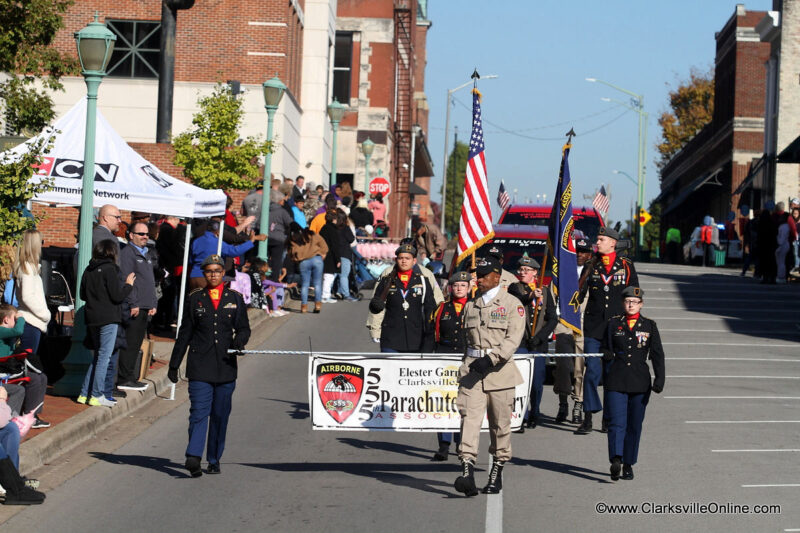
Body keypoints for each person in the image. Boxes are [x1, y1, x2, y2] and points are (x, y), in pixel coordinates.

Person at [168, 254, 250, 477]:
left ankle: (214, 458)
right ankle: (193, 456)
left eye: (217, 271)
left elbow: (244, 328)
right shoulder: (195, 298)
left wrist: (239, 340)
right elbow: (185, 333)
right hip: (200, 365)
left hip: (225, 367)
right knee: (198, 413)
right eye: (209, 271)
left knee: (220, 415)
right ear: (204, 274)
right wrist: (174, 364)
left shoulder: (235, 298)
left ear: (223, 273)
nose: (213, 275)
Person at [453, 257, 525, 496]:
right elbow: (465, 340)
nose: (478, 280)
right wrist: (470, 363)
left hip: (499, 372)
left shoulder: (512, 305)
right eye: (477, 276)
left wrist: (491, 359)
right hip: (473, 370)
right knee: (469, 419)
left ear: (496, 277)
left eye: (483, 276)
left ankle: (497, 469)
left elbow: (512, 341)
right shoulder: (471, 306)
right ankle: (467, 470)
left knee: (499, 425)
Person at [575, 226, 638, 435]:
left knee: (612, 374)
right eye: (598, 239)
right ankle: (588, 416)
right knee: (592, 371)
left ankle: (608, 418)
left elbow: (634, 296)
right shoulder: (591, 265)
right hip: (594, 327)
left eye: (601, 239)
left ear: (613, 242)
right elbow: (579, 294)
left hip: (616, 329)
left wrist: (633, 323)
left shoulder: (626, 266)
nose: (598, 242)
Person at [602, 287, 665, 481]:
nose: (631, 304)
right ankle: (616, 459)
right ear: (623, 303)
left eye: (635, 302)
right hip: (616, 379)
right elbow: (604, 346)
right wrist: (606, 354)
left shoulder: (649, 326)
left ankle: (629, 463)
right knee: (616, 422)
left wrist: (660, 378)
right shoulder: (613, 324)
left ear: (641, 304)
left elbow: (656, 354)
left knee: (634, 425)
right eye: (628, 301)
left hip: (639, 382)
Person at [78, 240, 136, 406]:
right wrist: (128, 285)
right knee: (104, 357)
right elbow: (117, 296)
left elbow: (82, 294)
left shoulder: (88, 270)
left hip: (92, 318)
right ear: (112, 253)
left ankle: (84, 393)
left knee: (98, 356)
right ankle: (96, 394)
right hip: (108, 318)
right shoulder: (111, 270)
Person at [507, 255, 556, 429]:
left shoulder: (544, 291)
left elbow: (552, 319)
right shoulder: (514, 288)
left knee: (536, 383)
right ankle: (522, 415)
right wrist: (530, 296)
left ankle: (535, 411)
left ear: (535, 273)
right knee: (521, 382)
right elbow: (517, 300)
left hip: (538, 343)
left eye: (527, 270)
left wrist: (541, 337)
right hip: (521, 342)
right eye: (520, 269)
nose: (522, 272)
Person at [366, 239, 444, 342]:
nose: (404, 260)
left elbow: (438, 302)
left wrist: (439, 329)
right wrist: (375, 329)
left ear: (414, 257)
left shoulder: (426, 274)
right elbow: (377, 303)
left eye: (408, 256)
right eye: (401, 256)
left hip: (418, 330)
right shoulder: (387, 274)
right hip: (392, 330)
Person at [12, 229, 50, 429]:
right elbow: (27, 296)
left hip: (33, 323)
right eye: (40, 241)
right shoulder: (27, 267)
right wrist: (45, 314)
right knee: (29, 371)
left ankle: (28, 412)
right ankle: (28, 413)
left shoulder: (29, 266)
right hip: (30, 322)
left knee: (30, 369)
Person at [430, 271, 470, 461]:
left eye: (463, 285)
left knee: (464, 402)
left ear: (469, 288)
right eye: (455, 286)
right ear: (450, 288)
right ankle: (443, 445)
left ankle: (462, 443)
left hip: (466, 358)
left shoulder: (474, 307)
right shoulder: (442, 308)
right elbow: (433, 333)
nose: (459, 288)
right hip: (444, 357)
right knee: (443, 401)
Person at [552, 237, 592, 424]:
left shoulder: (591, 273)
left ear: (589, 254)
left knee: (579, 367)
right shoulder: (561, 271)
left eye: (584, 252)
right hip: (564, 321)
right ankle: (562, 402)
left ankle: (578, 403)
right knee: (563, 365)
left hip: (583, 323)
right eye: (577, 251)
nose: (580, 255)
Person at [116, 222, 159, 392]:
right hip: (135, 306)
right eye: (140, 233)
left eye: (146, 234)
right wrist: (133, 303)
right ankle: (125, 377)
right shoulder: (128, 253)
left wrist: (152, 303)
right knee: (130, 343)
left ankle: (130, 376)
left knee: (136, 343)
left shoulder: (145, 254)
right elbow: (127, 280)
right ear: (130, 235)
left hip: (145, 305)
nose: (144, 237)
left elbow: (149, 282)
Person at [189, 220, 255, 290]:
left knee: (195, 299)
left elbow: (191, 260)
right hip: (209, 277)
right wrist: (250, 242)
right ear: (218, 231)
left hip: (194, 276)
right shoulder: (217, 242)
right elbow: (234, 251)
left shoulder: (196, 241)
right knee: (210, 300)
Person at [286, 222, 328, 313]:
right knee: (317, 283)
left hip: (303, 261)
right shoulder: (311, 234)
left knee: (305, 284)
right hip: (317, 258)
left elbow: (291, 254)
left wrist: (296, 259)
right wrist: (322, 252)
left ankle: (304, 306)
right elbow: (323, 244)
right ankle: (317, 305)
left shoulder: (292, 239)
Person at [155, 215, 186, 330]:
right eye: (178, 220)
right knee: (167, 296)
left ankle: (162, 321)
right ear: (174, 218)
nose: (179, 223)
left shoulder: (164, 229)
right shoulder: (169, 230)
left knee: (167, 296)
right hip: (168, 268)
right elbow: (172, 249)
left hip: (166, 266)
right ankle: (164, 322)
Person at [318, 210, 342, 303]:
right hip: (331, 256)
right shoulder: (334, 230)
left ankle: (322, 295)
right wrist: (338, 259)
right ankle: (325, 295)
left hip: (322, 254)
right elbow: (335, 245)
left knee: (323, 276)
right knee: (329, 276)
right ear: (334, 219)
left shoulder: (323, 228)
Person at [776, 211, 790, 284]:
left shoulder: (784, 226)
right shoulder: (785, 226)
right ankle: (781, 276)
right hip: (784, 244)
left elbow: (782, 238)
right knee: (781, 261)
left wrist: (779, 242)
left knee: (781, 262)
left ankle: (781, 276)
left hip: (783, 245)